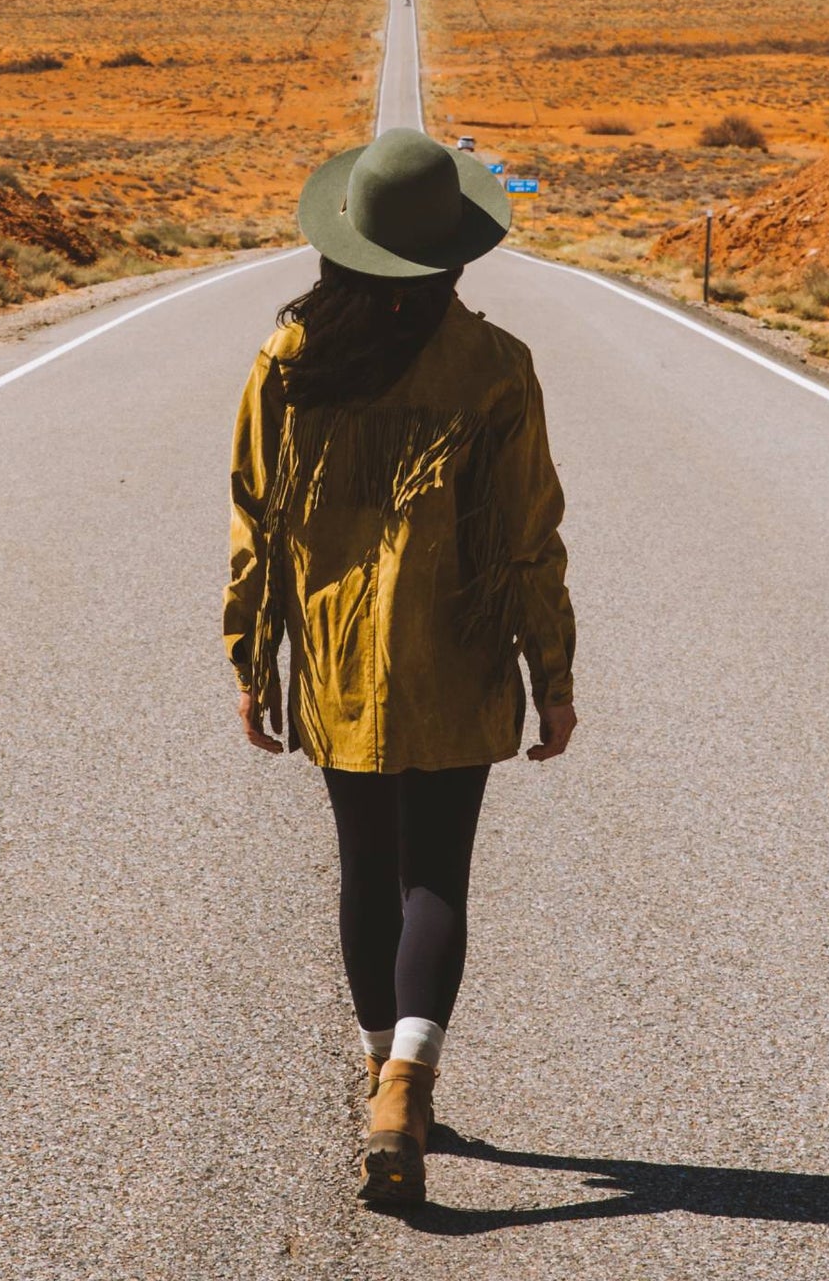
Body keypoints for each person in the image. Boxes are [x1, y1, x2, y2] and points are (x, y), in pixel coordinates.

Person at [223, 126, 577, 1207]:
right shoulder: (494, 366)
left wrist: (253, 653)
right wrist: (550, 675)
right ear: (453, 257)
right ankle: (406, 1083)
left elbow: (256, 520)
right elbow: (529, 536)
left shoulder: (288, 361)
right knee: (437, 875)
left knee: (364, 868)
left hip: (334, 658)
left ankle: (386, 1065)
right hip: (459, 652)